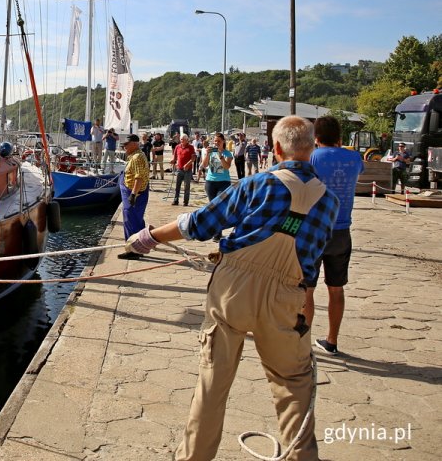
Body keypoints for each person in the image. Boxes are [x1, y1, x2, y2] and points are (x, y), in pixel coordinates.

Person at [125, 116, 340, 461]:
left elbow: (202, 222)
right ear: (312, 148)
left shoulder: (257, 185)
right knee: (293, 385)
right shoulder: (329, 202)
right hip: (287, 295)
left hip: (233, 290)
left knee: (213, 383)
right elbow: (312, 263)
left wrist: (151, 236)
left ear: (277, 148)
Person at [305, 116, 364, 357]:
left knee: (306, 289)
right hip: (342, 230)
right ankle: (332, 340)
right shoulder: (354, 158)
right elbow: (360, 171)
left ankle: (303, 343)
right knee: (336, 289)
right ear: (339, 137)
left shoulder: (312, 157)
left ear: (316, 137)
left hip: (314, 229)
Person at [117, 134, 150, 260]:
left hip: (134, 194)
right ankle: (139, 247)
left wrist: (133, 195)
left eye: (126, 144)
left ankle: (132, 250)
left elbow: (139, 177)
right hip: (134, 193)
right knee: (137, 221)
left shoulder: (137, 157)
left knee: (131, 222)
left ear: (135, 144)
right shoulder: (135, 156)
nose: (124, 146)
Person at [200, 133, 234, 242]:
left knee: (219, 207)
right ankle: (214, 231)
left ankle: (218, 233)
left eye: (219, 141)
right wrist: (208, 155)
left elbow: (227, 167)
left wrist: (220, 155)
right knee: (213, 207)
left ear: (223, 142)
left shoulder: (228, 154)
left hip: (223, 182)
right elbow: (204, 165)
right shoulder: (209, 152)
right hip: (210, 182)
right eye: (215, 141)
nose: (216, 143)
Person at [171, 133, 195, 206]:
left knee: (186, 186)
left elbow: (193, 158)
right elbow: (175, 158)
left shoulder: (191, 147)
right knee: (177, 186)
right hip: (179, 169)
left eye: (184, 139)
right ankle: (176, 200)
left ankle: (185, 201)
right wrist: (173, 161)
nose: (182, 141)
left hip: (188, 170)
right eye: (181, 139)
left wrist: (187, 164)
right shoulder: (177, 147)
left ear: (187, 140)